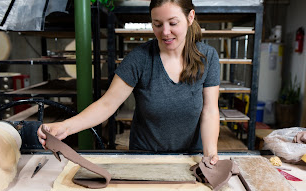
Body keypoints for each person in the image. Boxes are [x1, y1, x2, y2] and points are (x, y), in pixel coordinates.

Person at [37, 0, 220, 165]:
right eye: (157, 24)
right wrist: (64, 127)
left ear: (190, 17)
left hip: (191, 157)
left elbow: (210, 110)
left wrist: (210, 154)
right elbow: (107, 104)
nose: (165, 32)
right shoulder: (139, 58)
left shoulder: (208, 57)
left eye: (173, 23)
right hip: (145, 158)